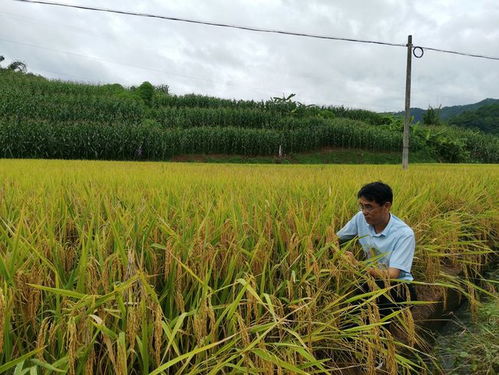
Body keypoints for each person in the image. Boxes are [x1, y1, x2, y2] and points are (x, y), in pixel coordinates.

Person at [336, 181, 417, 321]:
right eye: (362, 206)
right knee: (352, 314)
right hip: (371, 280)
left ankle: (380, 339)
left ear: (386, 206)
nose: (364, 212)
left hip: (399, 287)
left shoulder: (404, 234)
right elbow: (336, 239)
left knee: (371, 316)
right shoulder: (360, 218)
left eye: (369, 207)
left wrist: (357, 264)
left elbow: (392, 275)